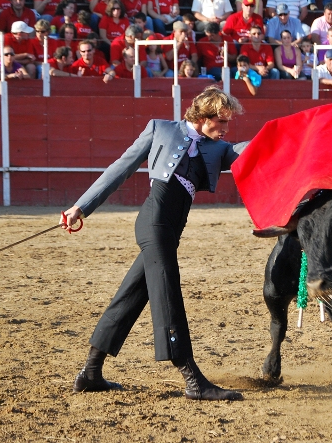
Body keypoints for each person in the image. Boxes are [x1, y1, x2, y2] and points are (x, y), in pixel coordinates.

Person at [63, 86, 247, 401]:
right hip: (153, 221)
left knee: (131, 295)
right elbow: (120, 168)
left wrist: (282, 139)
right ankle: (192, 378)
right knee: (167, 290)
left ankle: (91, 372)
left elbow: (245, 150)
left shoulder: (219, 148)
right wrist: (81, 206)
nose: (226, 128)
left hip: (171, 230)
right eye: (221, 121)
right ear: (202, 116)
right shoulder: (160, 129)